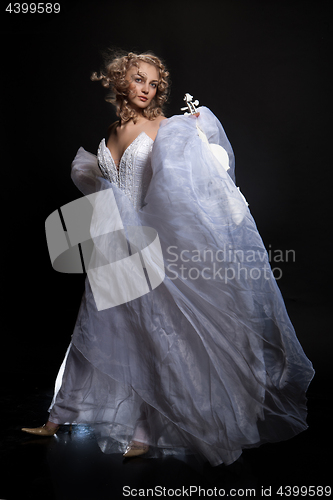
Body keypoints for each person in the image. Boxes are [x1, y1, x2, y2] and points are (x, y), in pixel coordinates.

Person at [22, 51, 314, 466]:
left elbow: (185, 187)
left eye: (155, 83)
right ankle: (58, 416)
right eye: (139, 79)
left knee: (153, 335)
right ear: (121, 80)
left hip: (151, 241)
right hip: (113, 241)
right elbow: (104, 184)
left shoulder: (167, 128)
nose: (147, 88)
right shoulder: (111, 129)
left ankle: (145, 431)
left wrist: (196, 140)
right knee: (98, 328)